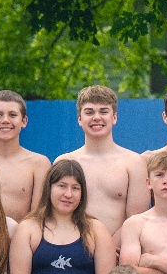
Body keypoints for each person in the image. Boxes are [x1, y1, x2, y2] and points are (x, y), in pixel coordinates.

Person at [56, 84, 150, 234]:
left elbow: (136, 221)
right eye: (89, 112)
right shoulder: (64, 162)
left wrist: (107, 245)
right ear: (79, 119)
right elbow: (56, 216)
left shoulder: (134, 163)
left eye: (104, 111)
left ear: (114, 117)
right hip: (72, 246)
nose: (96, 117)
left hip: (119, 246)